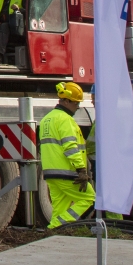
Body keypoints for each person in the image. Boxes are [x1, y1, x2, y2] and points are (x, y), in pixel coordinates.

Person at [39, 81, 94, 228]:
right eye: (76, 103)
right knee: (90, 199)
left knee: (60, 208)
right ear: (66, 101)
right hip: (67, 172)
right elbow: (70, 147)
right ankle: (59, 225)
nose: (77, 107)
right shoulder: (65, 120)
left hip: (51, 173)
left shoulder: (46, 119)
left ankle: (54, 230)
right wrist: (81, 170)